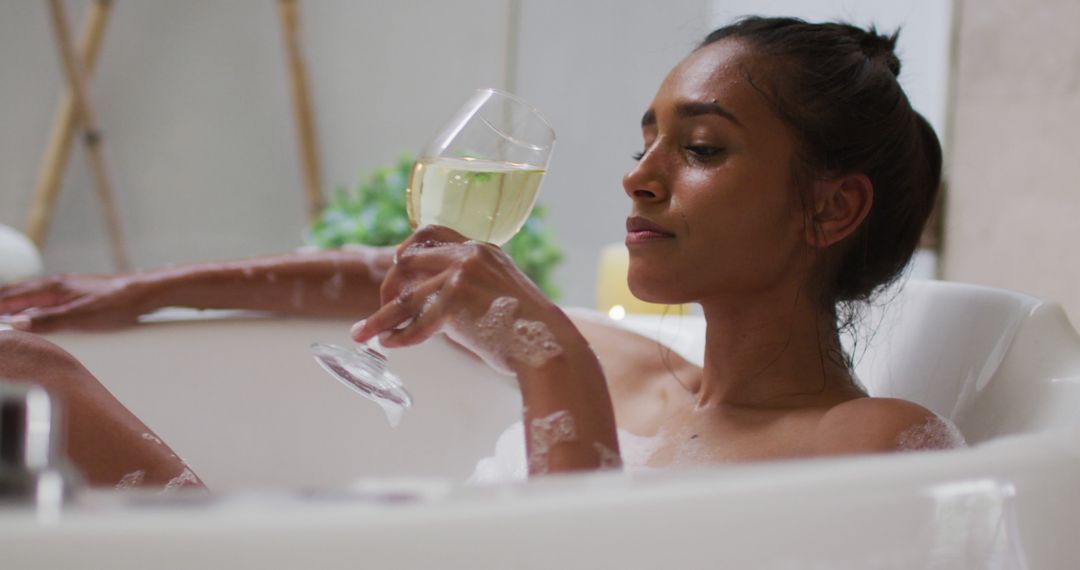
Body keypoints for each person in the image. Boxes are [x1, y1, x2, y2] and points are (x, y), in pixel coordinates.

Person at [0, 17, 960, 488]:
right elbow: (400, 273)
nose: (639, 176)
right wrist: (136, 292)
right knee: (26, 367)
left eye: (701, 149)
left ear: (831, 210)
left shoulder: (877, 447)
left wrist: (550, 361)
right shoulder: (642, 374)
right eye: (646, 142)